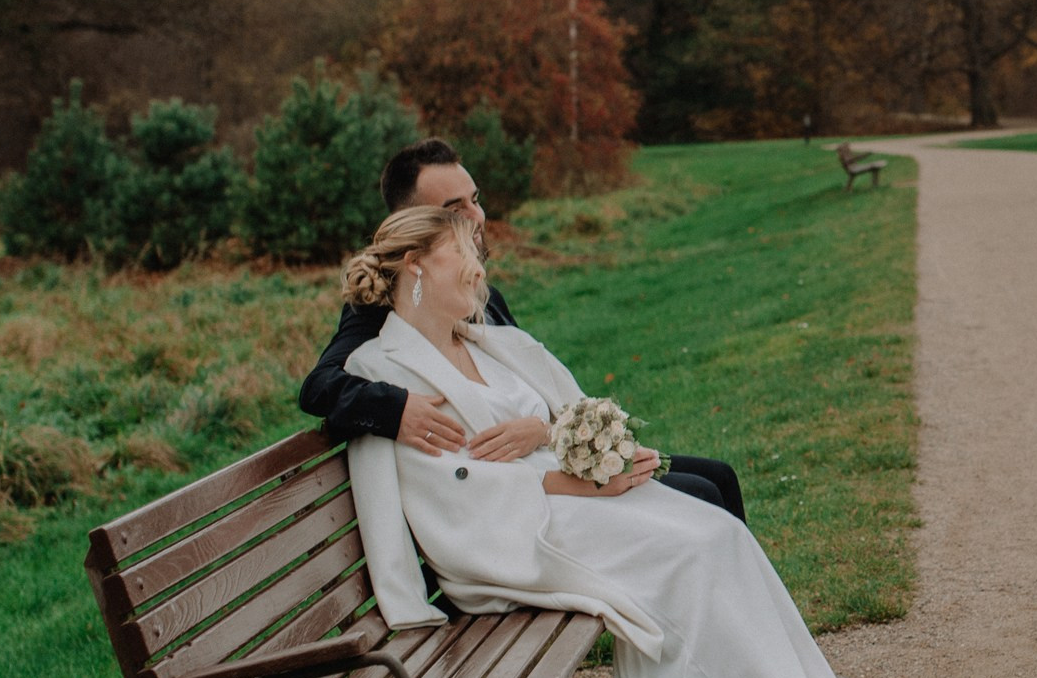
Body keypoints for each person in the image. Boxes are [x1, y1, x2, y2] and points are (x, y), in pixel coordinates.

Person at [337, 205, 917, 678]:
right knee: (689, 553)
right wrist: (587, 482)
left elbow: (554, 417)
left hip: (568, 507)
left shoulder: (484, 341)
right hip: (513, 537)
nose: (479, 268)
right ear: (416, 266)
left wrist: (596, 457)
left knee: (719, 534)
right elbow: (457, 486)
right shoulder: (384, 369)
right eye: (461, 253)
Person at [298, 137, 745, 521]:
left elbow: (522, 384)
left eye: (476, 200)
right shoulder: (380, 311)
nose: (476, 217)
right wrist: (395, 409)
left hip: (547, 456)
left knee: (717, 475)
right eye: (454, 210)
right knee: (700, 495)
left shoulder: (485, 299)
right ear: (414, 227)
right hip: (509, 501)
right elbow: (320, 387)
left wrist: (545, 430)